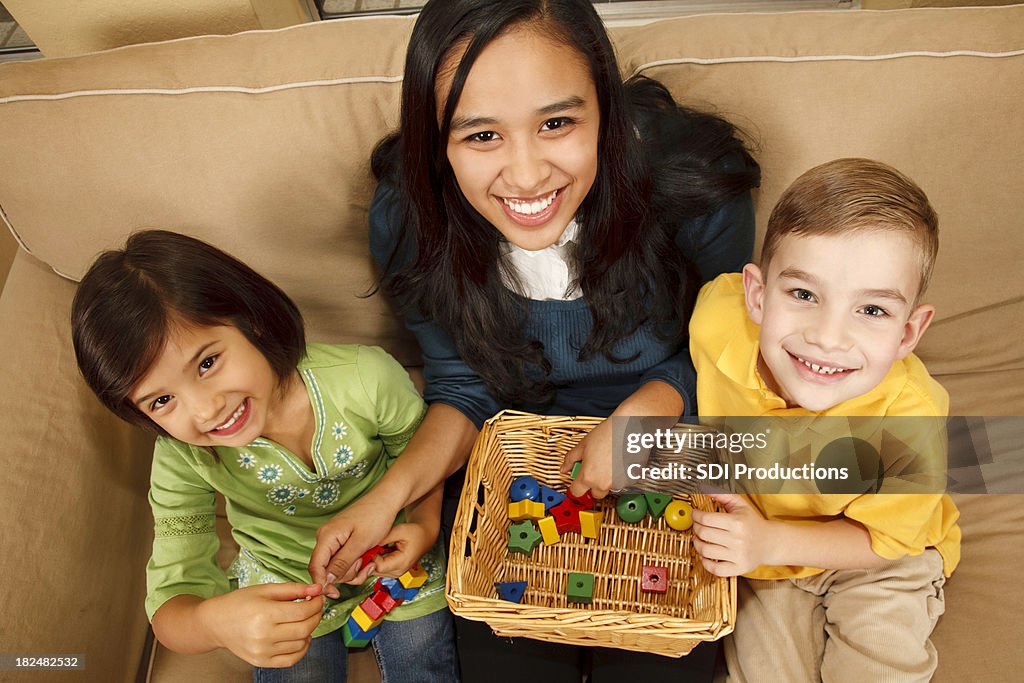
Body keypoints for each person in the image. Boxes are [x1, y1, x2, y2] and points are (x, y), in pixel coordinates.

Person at [309, 0, 759, 679]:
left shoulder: (693, 187)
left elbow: (729, 356)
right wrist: (385, 499)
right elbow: (461, 384)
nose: (525, 177)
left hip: (674, 445)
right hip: (511, 461)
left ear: (604, 106)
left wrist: (651, 410)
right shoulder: (408, 216)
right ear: (436, 142)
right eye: (481, 137)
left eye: (557, 123)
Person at [71, 230, 458, 682]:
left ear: (251, 320)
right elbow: (172, 604)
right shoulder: (181, 458)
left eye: (207, 363)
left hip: (403, 565)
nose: (205, 409)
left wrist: (423, 523)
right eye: (161, 401)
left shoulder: (364, 377)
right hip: (280, 590)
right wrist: (214, 621)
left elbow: (427, 451)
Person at [688, 158, 961, 682]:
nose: (828, 338)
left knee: (876, 666)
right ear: (758, 296)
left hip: (875, 555)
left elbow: (884, 543)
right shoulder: (718, 319)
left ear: (908, 333)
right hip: (765, 556)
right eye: (804, 295)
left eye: (873, 311)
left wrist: (770, 541)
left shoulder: (911, 419)